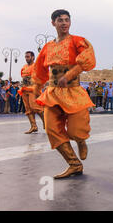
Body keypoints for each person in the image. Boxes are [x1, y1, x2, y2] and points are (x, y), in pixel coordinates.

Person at [32, 9, 96, 179]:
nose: (64, 23)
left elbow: (87, 58)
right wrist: (37, 89)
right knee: (52, 129)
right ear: (53, 23)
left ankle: (81, 141)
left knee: (75, 131)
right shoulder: (48, 46)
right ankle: (74, 164)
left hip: (73, 91)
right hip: (53, 93)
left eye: (67, 20)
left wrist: (68, 75)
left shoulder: (77, 41)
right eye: (60, 20)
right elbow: (39, 69)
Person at [18, 51, 45, 133]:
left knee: (35, 107)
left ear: (33, 57)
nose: (26, 58)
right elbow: (23, 77)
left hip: (33, 89)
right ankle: (33, 126)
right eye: (25, 57)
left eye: (28, 57)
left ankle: (46, 123)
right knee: (28, 109)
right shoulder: (24, 67)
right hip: (24, 89)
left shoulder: (36, 66)